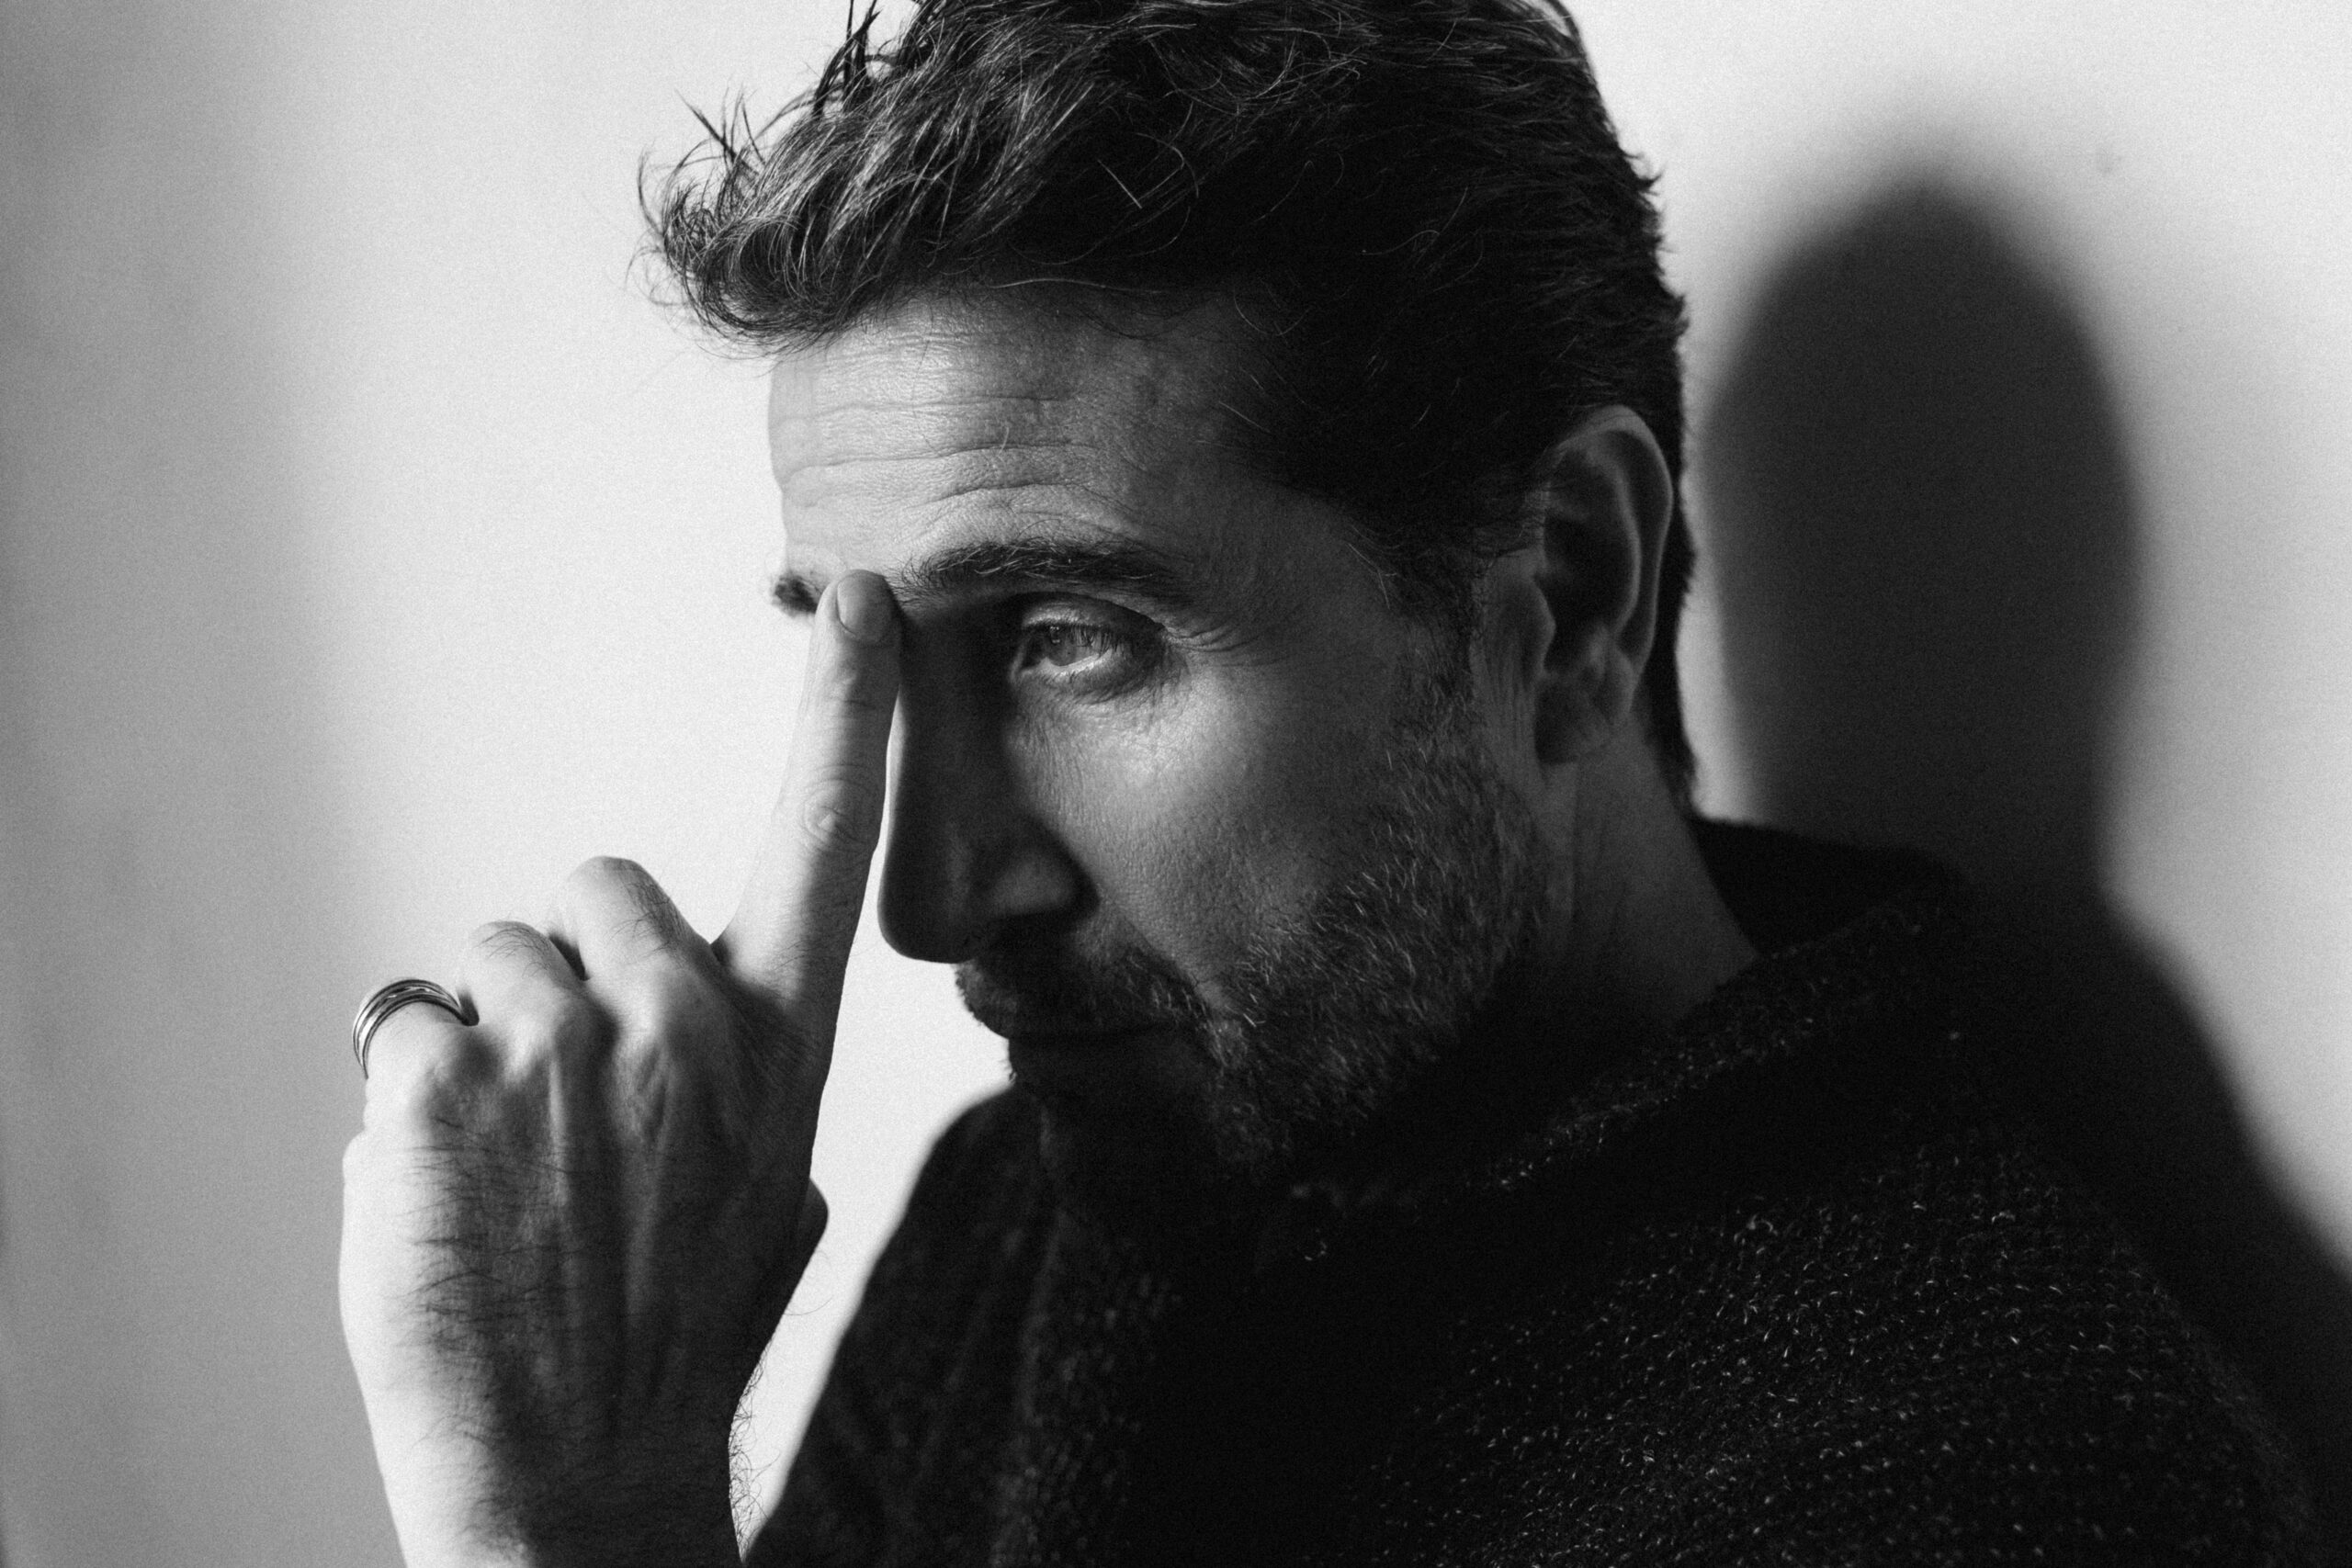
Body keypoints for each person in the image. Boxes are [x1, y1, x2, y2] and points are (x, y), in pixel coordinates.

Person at [337, 1, 2323, 1562]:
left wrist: (581, 1522)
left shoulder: (1977, 1472)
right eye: (864, 661)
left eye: (1064, 635)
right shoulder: (1035, 1208)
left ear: (1568, 595)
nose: (934, 900)